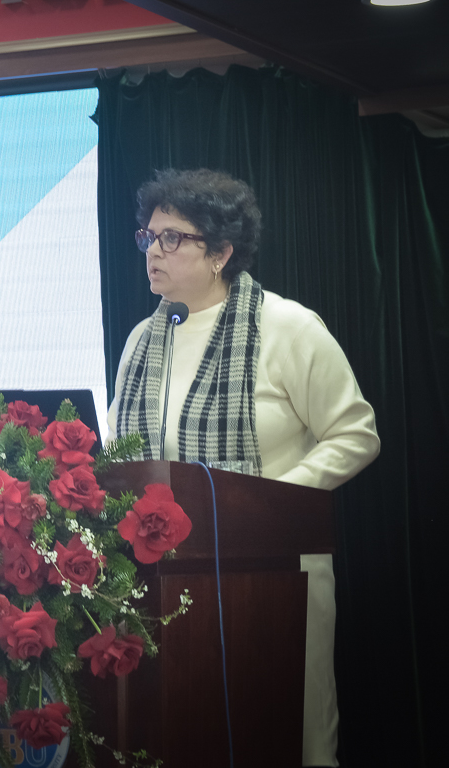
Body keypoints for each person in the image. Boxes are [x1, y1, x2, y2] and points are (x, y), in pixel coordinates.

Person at [105, 168, 379, 767]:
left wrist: (267, 504)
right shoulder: (141, 341)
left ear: (221, 252)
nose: (153, 250)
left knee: (290, 739)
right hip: (165, 580)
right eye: (148, 235)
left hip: (276, 572)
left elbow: (356, 433)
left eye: (172, 238)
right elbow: (120, 459)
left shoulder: (287, 327)